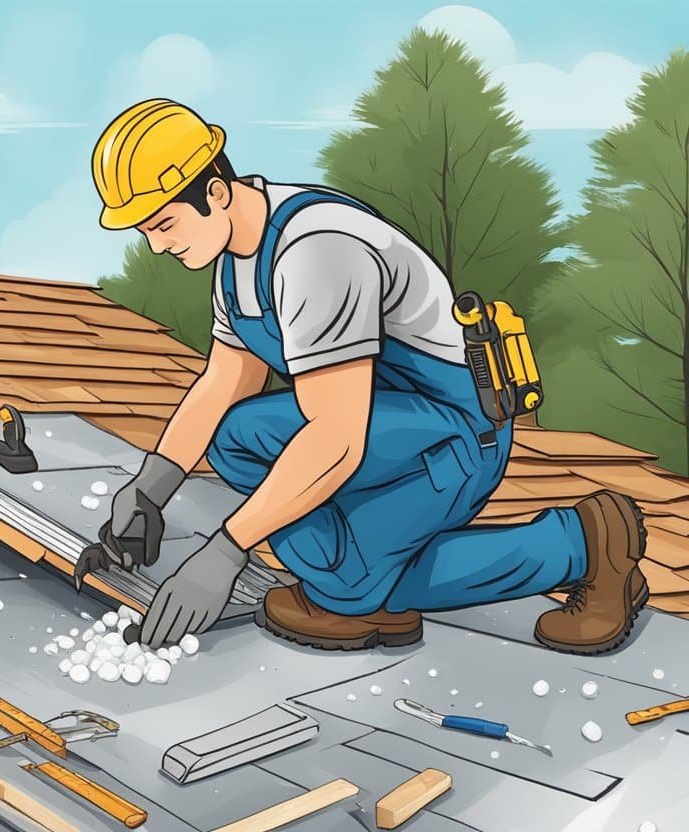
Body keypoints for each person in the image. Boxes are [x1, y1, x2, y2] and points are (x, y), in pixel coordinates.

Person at [89, 98, 649, 655]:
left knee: (352, 580)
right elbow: (225, 381)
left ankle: (581, 545)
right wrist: (149, 489)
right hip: (392, 427)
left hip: (455, 434)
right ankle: (362, 581)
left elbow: (336, 438)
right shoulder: (235, 260)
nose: (158, 245)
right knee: (237, 439)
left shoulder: (316, 252)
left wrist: (226, 551)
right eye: (147, 232)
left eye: (163, 224)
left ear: (214, 191)